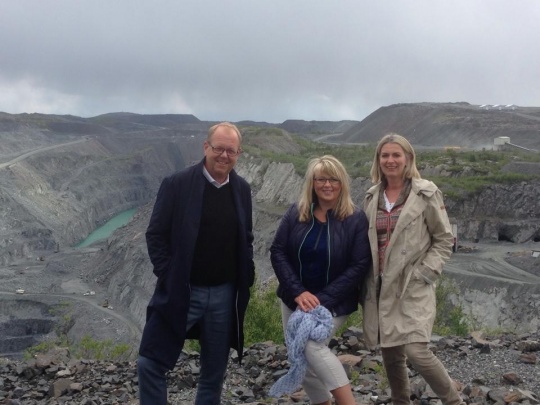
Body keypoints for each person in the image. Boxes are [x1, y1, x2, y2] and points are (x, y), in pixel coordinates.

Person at [137, 122, 255, 405]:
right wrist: (169, 275)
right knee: (150, 362)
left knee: (213, 374)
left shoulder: (241, 189)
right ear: (206, 147)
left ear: (239, 153)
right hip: (184, 290)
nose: (224, 156)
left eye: (231, 150)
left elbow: (246, 237)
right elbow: (155, 234)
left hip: (224, 295)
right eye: (218, 149)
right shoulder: (177, 184)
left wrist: (246, 274)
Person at [362, 133, 463, 405]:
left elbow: (444, 239)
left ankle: (454, 401)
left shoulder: (426, 193)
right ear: (378, 160)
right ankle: (400, 401)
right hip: (382, 285)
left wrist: (426, 273)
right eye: (385, 155)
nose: (390, 160)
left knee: (417, 351)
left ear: (408, 158)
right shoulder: (372, 196)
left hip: (412, 285)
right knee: (391, 351)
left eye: (396, 155)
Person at [270, 155, 371, 405]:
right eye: (321, 179)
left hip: (334, 302)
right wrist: (297, 292)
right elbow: (278, 251)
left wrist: (320, 300)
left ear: (342, 183)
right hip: (294, 300)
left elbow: (359, 265)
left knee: (310, 347)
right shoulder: (297, 212)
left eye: (333, 179)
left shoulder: (355, 219)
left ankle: (348, 402)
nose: (327, 185)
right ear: (312, 183)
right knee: (299, 355)